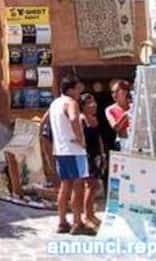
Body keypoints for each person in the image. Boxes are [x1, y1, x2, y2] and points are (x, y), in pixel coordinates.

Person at [48, 77, 95, 235]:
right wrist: (80, 139)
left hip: (60, 150)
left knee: (65, 185)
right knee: (78, 185)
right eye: (77, 89)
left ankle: (62, 221)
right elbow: (74, 118)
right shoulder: (71, 102)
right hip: (73, 149)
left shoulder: (55, 103)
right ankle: (77, 222)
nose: (79, 92)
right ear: (70, 89)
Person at [79, 92, 105, 228]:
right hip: (86, 156)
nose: (93, 105)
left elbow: (99, 137)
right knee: (90, 185)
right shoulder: (81, 119)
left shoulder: (95, 119)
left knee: (94, 186)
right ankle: (87, 215)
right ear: (83, 106)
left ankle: (91, 213)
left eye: (94, 101)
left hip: (96, 156)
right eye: (89, 103)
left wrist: (102, 154)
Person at [105, 79, 132, 151]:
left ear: (125, 92)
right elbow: (116, 128)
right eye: (112, 92)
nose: (114, 94)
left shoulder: (134, 106)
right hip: (123, 142)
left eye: (117, 91)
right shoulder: (109, 109)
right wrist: (126, 115)